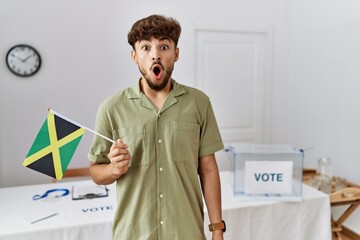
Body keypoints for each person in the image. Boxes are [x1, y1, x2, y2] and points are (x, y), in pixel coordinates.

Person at [88, 14, 225, 240]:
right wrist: (114, 169)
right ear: (134, 56)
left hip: (186, 232)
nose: (155, 55)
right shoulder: (111, 108)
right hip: (133, 234)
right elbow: (95, 171)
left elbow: (208, 169)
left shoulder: (199, 103)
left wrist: (217, 228)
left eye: (163, 46)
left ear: (176, 54)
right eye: (145, 47)